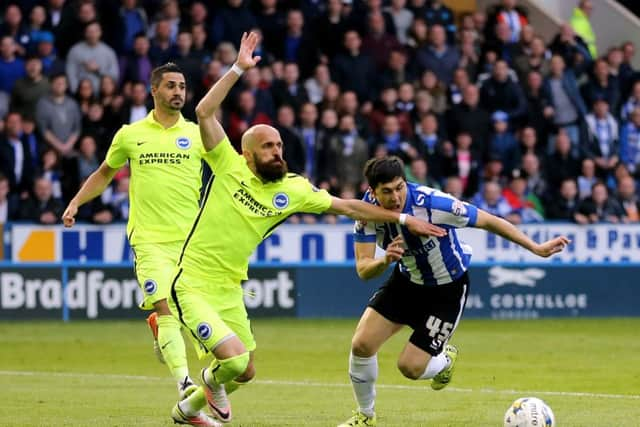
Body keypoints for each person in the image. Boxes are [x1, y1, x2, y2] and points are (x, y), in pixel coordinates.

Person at [167, 32, 446, 427]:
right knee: (234, 360)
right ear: (247, 154)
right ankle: (211, 382)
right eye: (268, 147)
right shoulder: (226, 163)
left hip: (229, 286)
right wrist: (237, 70)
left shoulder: (293, 189)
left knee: (246, 371)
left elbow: (349, 206)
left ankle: (187, 411)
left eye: (279, 145)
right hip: (191, 282)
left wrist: (403, 218)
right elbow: (205, 112)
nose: (278, 152)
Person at [338, 156, 570, 427]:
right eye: (387, 191)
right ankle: (366, 416)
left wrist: (535, 247)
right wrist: (385, 260)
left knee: (410, 368)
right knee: (361, 345)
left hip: (447, 290)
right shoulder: (366, 214)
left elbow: (487, 220)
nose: (396, 196)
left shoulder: (433, 204)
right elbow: (364, 269)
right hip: (406, 283)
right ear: (373, 192)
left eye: (400, 187)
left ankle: (445, 360)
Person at [61, 63, 214, 424]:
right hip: (148, 239)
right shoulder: (131, 134)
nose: (179, 92)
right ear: (154, 91)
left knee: (187, 317)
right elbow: (104, 173)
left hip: (190, 241)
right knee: (164, 307)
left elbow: (226, 173)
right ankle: (185, 386)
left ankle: (163, 336)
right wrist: (76, 202)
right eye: (171, 86)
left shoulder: (197, 134)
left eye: (182, 86)